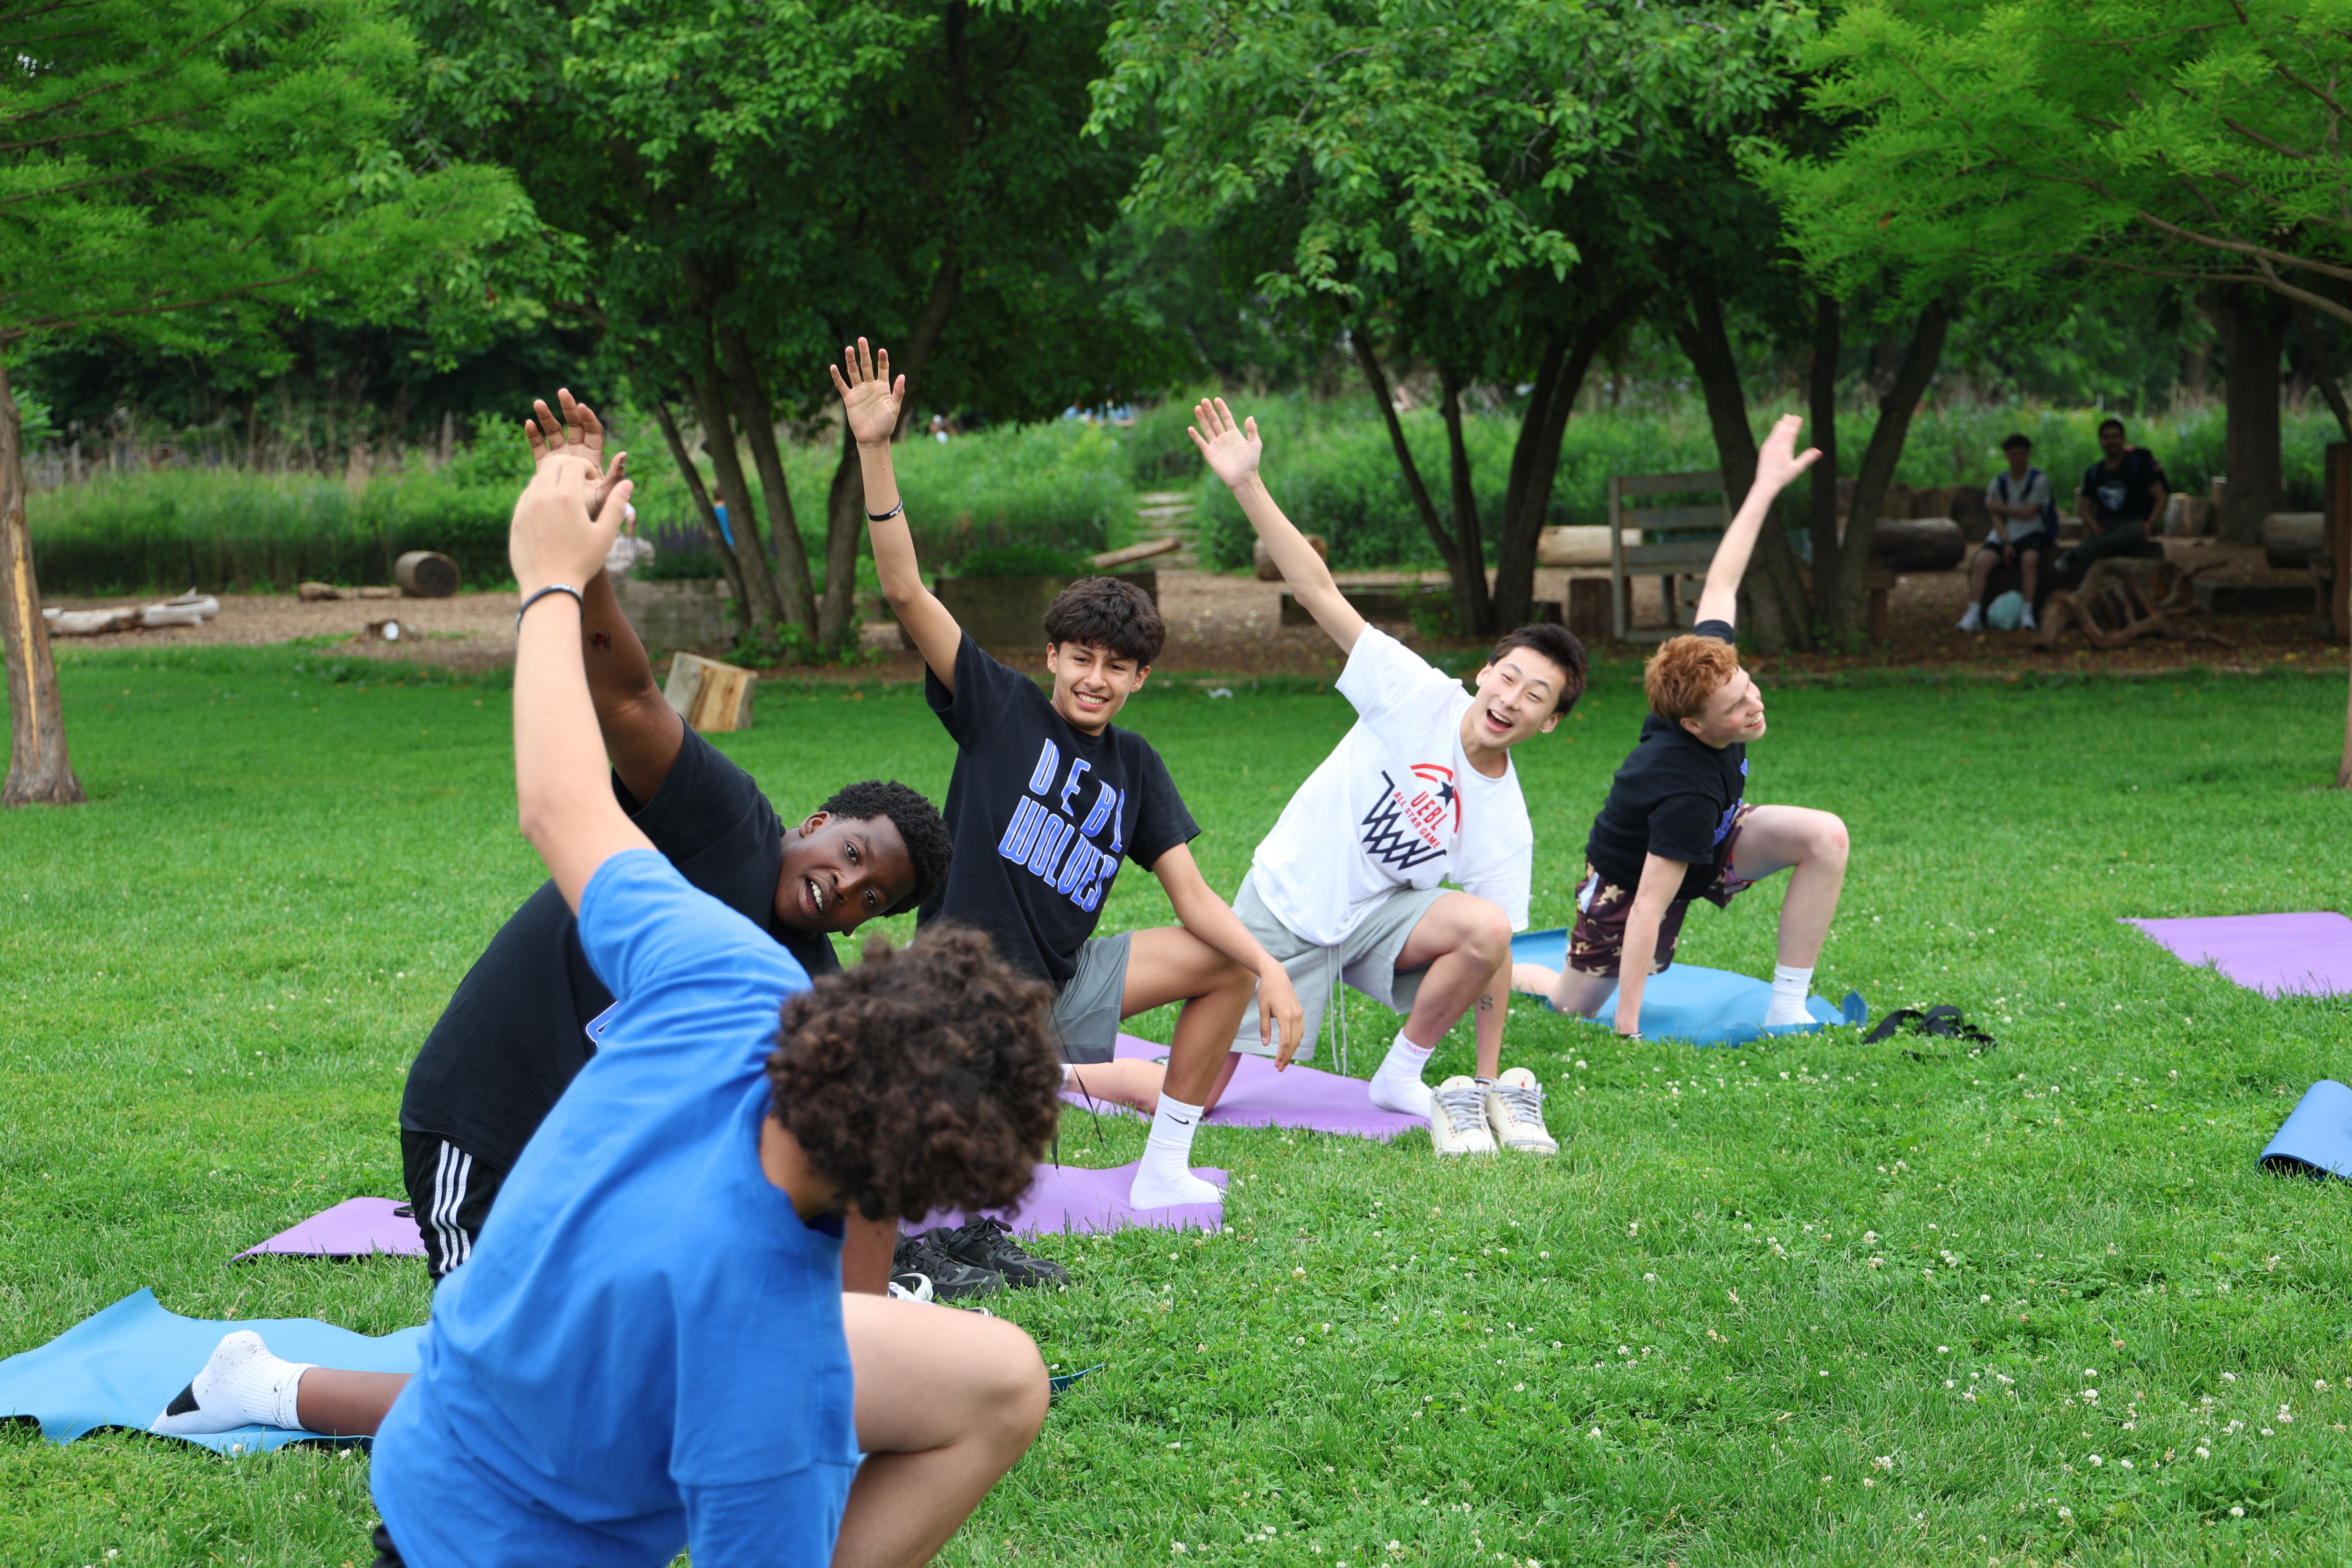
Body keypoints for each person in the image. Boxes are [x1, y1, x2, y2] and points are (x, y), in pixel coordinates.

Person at [162, 451, 1064, 1568]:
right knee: (980, 1385)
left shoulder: (730, 979)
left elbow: (558, 801)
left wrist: (547, 576)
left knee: (1003, 1374)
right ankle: (281, 1389)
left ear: (861, 993)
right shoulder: (771, 1376)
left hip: (438, 1469)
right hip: (486, 1530)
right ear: (907, 1190)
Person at [394, 392, 971, 1298]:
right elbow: (626, 696)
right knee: (492, 1375)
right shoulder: (724, 818)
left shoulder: (808, 985)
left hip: (606, 1179)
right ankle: (269, 1379)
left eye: (874, 900)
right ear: (817, 823)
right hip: (491, 1120)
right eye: (854, 858)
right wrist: (581, 559)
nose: (847, 891)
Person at [834, 339, 1306, 1210]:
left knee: (1226, 959)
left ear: (1140, 679)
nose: (1097, 678)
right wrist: (875, 448)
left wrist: (1269, 968)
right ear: (1051, 655)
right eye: (1081, 657)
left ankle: (1163, 1168)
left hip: (1062, 983)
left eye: (1118, 666)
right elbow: (905, 591)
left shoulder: (1136, 765)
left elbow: (1194, 899)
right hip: (958, 991)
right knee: (937, 1179)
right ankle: (1027, 1083)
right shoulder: (997, 705)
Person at [1187, 396, 1585, 1158]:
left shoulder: (1506, 819)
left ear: (1550, 722)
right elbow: (1319, 592)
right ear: (1485, 672)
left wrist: (1488, 1077)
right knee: (1195, 1097)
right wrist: (1246, 484)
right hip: (1286, 906)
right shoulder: (1414, 691)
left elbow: (1494, 954)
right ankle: (1071, 1070)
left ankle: (1401, 1073)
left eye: (1536, 696)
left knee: (1487, 924)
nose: (1511, 700)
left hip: (1372, 925)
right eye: (1509, 678)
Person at [1513, 416, 1849, 1040]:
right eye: (1737, 709)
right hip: (1630, 878)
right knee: (1570, 1004)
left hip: (1716, 837)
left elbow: (1722, 580)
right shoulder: (1682, 784)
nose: (1756, 706)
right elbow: (1648, 907)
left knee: (1825, 837)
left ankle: (1788, 1004)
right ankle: (1515, 970)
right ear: (1694, 725)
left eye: (1749, 688)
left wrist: (1766, 485)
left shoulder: (1708, 669)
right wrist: (1629, 1030)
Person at [1957, 433, 2054, 632]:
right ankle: (1973, 612)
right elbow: (1996, 518)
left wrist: (2000, 507)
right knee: (1982, 563)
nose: (2018, 459)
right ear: (2007, 457)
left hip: (2031, 531)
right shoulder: (1998, 483)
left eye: (2022, 454)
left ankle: (2027, 613)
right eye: (2013, 455)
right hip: (2005, 532)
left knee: (2030, 561)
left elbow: (2029, 512)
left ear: (2028, 455)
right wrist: (2005, 542)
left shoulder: (2039, 480)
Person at [2056, 417, 2168, 586]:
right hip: (2105, 526)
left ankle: (2079, 555)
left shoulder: (2139, 466)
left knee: (2134, 532)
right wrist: (2093, 526)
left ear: (2123, 439)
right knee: (2102, 539)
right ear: (2101, 442)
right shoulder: (2094, 473)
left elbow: (2161, 497)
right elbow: (2083, 508)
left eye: (2115, 436)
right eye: (2107, 437)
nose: (2112, 441)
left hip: (2132, 524)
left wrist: (2150, 524)